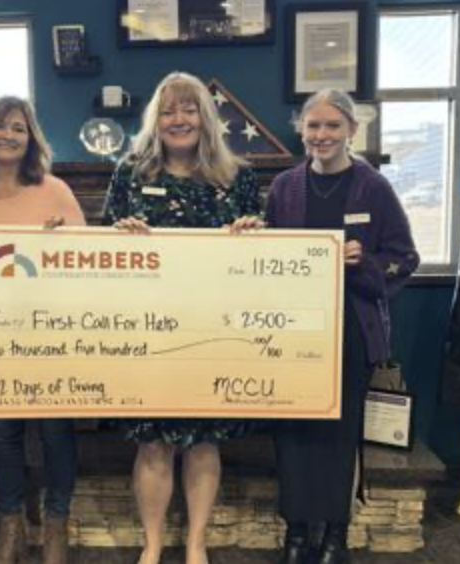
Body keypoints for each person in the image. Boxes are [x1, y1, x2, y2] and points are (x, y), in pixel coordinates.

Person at [102, 71, 263, 564]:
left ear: (205, 117)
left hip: (215, 330)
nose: (179, 119)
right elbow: (101, 251)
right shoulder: (131, 173)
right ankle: (152, 545)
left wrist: (252, 234)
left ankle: (196, 544)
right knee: (152, 443)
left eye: (189, 109)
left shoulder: (238, 176)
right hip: (146, 331)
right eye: (168, 111)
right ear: (155, 119)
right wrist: (121, 235)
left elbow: (264, 256)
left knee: (203, 443)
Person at [266, 89, 419, 564]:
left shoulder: (373, 188)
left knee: (341, 431)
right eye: (313, 125)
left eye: (332, 125)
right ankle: (296, 532)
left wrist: (364, 261)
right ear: (301, 130)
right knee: (291, 429)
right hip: (292, 327)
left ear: (352, 129)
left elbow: (404, 257)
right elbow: (265, 257)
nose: (322, 134)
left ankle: (335, 534)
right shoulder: (284, 187)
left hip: (351, 328)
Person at [0, 96, 85, 564]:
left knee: (55, 432)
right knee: (2, 435)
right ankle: (10, 524)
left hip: (52, 335)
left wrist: (62, 239)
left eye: (18, 127)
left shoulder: (55, 190)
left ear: (31, 138)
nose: (8, 135)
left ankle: (56, 525)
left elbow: (89, 261)